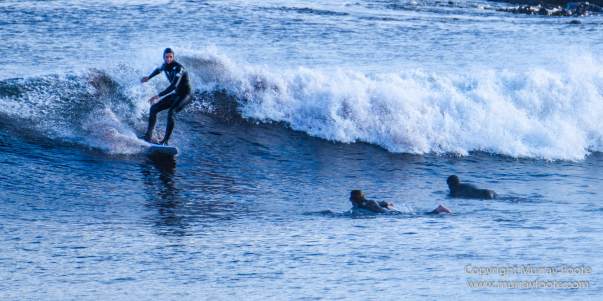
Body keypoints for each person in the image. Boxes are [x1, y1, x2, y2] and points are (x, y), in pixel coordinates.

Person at [140, 48, 192, 145]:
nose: (168, 59)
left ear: (173, 57)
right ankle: (148, 135)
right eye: (166, 57)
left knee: (171, 113)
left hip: (185, 95)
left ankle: (166, 140)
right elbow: (158, 70)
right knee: (153, 108)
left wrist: (158, 96)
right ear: (163, 57)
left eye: (170, 57)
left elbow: (173, 86)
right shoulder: (164, 65)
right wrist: (148, 77)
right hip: (176, 94)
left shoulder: (179, 69)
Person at [349, 190, 451, 214]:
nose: (350, 200)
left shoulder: (364, 204)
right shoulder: (368, 201)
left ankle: (438, 209)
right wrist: (388, 204)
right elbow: (382, 203)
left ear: (355, 199)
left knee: (422, 215)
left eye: (351, 199)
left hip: (388, 214)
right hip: (387, 211)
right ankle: (438, 209)